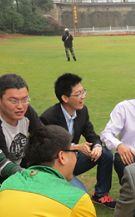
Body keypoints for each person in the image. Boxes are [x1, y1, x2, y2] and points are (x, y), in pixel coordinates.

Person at [40, 73, 117, 208]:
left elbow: (91, 134)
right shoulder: (49, 118)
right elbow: (48, 151)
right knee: (81, 197)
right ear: (65, 98)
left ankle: (100, 194)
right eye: (78, 94)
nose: (83, 96)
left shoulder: (82, 111)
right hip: (57, 166)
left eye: (83, 91)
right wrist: (75, 148)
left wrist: (97, 146)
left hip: (73, 160)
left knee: (105, 153)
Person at [0, 74, 44, 189]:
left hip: (19, 168)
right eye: (13, 101)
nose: (20, 106)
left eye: (25, 99)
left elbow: (43, 137)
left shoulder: (26, 111)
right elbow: (5, 164)